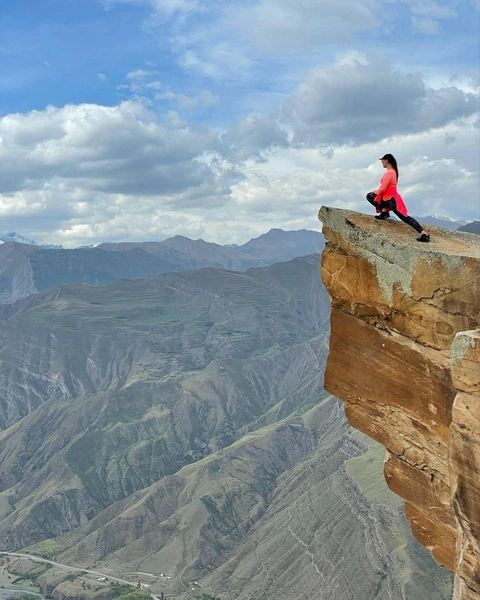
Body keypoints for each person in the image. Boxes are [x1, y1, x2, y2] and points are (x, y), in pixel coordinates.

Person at [366, 154, 430, 242]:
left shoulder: (390, 172)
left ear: (386, 160)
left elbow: (383, 188)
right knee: (404, 217)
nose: (382, 163)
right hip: (388, 198)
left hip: (391, 199)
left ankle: (424, 234)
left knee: (370, 196)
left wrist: (375, 192)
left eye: (382, 161)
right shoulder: (392, 172)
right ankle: (384, 212)